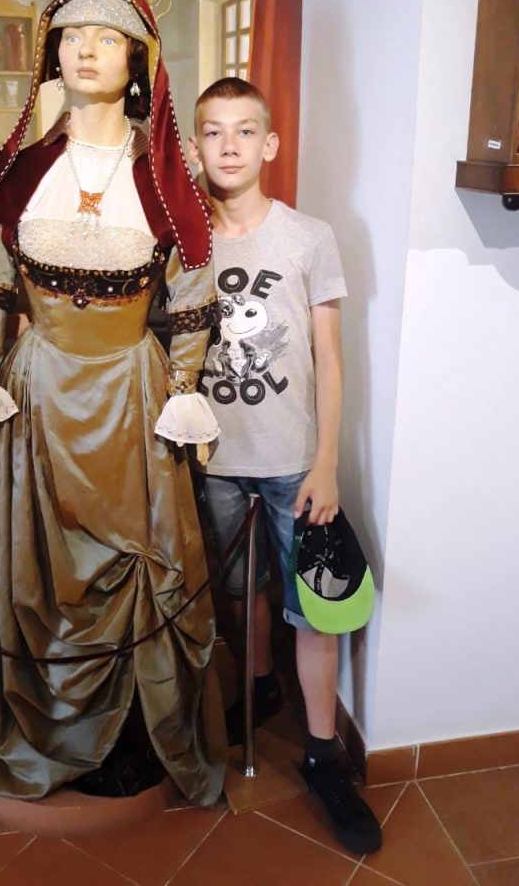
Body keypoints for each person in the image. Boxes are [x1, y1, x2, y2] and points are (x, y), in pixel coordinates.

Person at [0, 0, 227, 806]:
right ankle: (45, 720)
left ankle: (136, 726)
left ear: (138, 57)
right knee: (41, 557)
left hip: (131, 395)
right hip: (40, 394)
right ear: (50, 54)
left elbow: (192, 298)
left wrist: (184, 391)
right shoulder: (18, 174)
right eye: (70, 35)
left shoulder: (167, 180)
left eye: (106, 35)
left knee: (141, 554)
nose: (85, 49)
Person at [188, 77, 382, 853]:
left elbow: (329, 358)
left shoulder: (309, 237)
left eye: (245, 131)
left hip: (293, 461)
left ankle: (324, 755)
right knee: (242, 592)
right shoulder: (185, 242)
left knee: (312, 607)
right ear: (195, 145)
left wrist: (326, 462)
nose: (229, 146)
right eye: (213, 131)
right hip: (213, 460)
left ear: (269, 144)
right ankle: (260, 686)